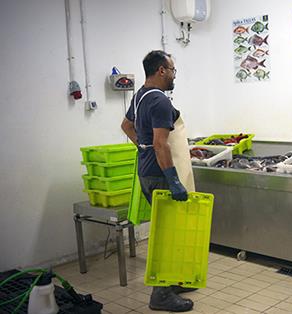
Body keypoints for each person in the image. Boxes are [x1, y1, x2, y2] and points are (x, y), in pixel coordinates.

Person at [121, 50, 196, 312]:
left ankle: (170, 282)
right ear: (161, 71)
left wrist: (143, 149)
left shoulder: (140, 96)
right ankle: (161, 295)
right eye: (173, 70)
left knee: (167, 230)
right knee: (167, 234)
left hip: (147, 172)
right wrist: (173, 180)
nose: (174, 75)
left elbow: (126, 126)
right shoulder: (161, 102)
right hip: (161, 176)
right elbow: (161, 144)